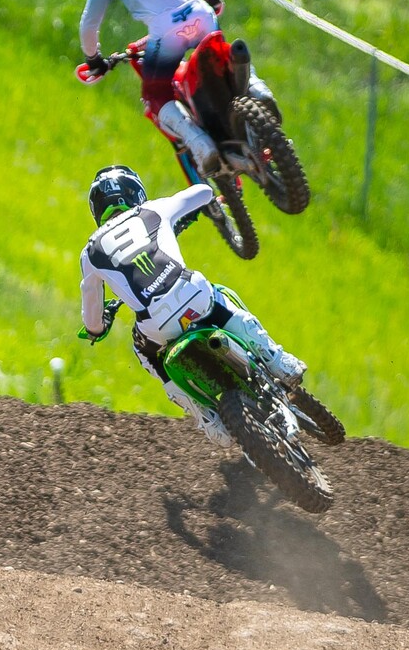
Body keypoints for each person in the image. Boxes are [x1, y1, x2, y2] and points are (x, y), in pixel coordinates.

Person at [75, 163, 304, 447]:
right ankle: (276, 358)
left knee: (146, 354)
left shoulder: (90, 252)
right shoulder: (154, 210)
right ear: (135, 192)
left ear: (97, 209)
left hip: (156, 325)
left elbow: (91, 313)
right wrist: (195, 207)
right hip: (191, 294)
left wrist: (97, 328)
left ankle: (206, 417)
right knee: (221, 299)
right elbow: (203, 192)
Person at [76, 0, 239, 180]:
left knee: (155, 94)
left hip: (166, 31)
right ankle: (258, 91)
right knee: (226, 57)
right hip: (200, 12)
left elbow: (89, 25)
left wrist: (95, 60)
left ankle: (200, 144)